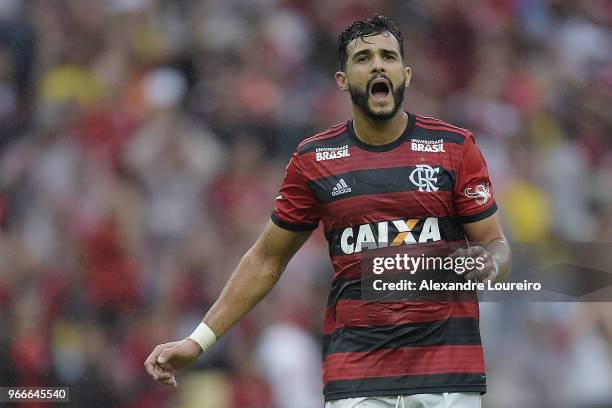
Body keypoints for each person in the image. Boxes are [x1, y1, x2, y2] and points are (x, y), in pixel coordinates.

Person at [144, 14, 511, 408]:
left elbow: (496, 246)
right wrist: (198, 341)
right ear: (342, 79)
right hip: (358, 374)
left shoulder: (454, 147)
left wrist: (489, 264)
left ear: (405, 74)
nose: (376, 65)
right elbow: (267, 258)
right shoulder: (314, 158)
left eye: (387, 56)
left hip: (447, 373)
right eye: (363, 58)